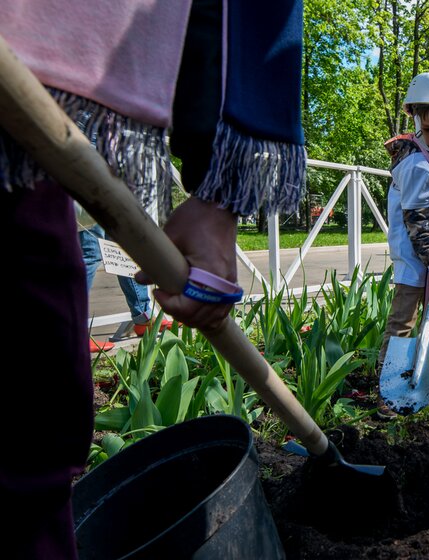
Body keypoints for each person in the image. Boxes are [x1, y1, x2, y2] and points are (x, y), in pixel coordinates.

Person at [0, 0, 306, 556]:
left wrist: (217, 187)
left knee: (24, 428)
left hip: (23, 130)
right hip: (26, 121)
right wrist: (217, 191)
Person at [376, 71, 429, 420]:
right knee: (405, 318)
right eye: (428, 130)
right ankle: (389, 385)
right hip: (415, 254)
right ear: (416, 122)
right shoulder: (415, 163)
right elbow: (415, 221)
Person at [77, 205, 171, 353]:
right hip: (88, 192)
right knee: (90, 253)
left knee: (125, 248)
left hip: (107, 194)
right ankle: (74, 332)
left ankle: (143, 317)